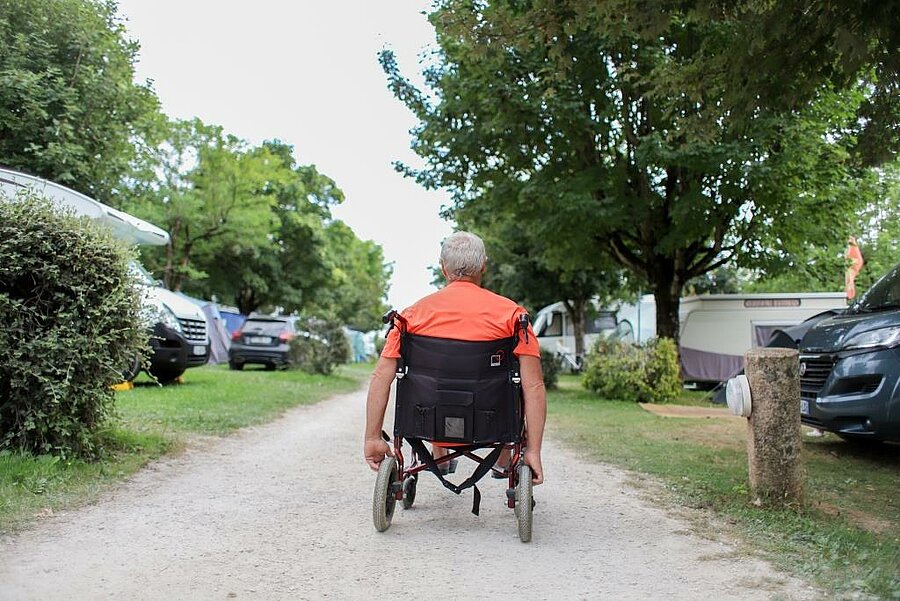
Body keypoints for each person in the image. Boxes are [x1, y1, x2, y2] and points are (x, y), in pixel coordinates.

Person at [363, 231, 546, 485]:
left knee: (434, 384)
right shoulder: (513, 316)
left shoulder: (410, 317)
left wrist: (373, 438)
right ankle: (504, 460)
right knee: (514, 384)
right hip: (491, 422)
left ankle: (441, 455)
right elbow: (534, 386)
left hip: (428, 421)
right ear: (483, 265)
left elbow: (381, 377)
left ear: (442, 268)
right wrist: (534, 452)